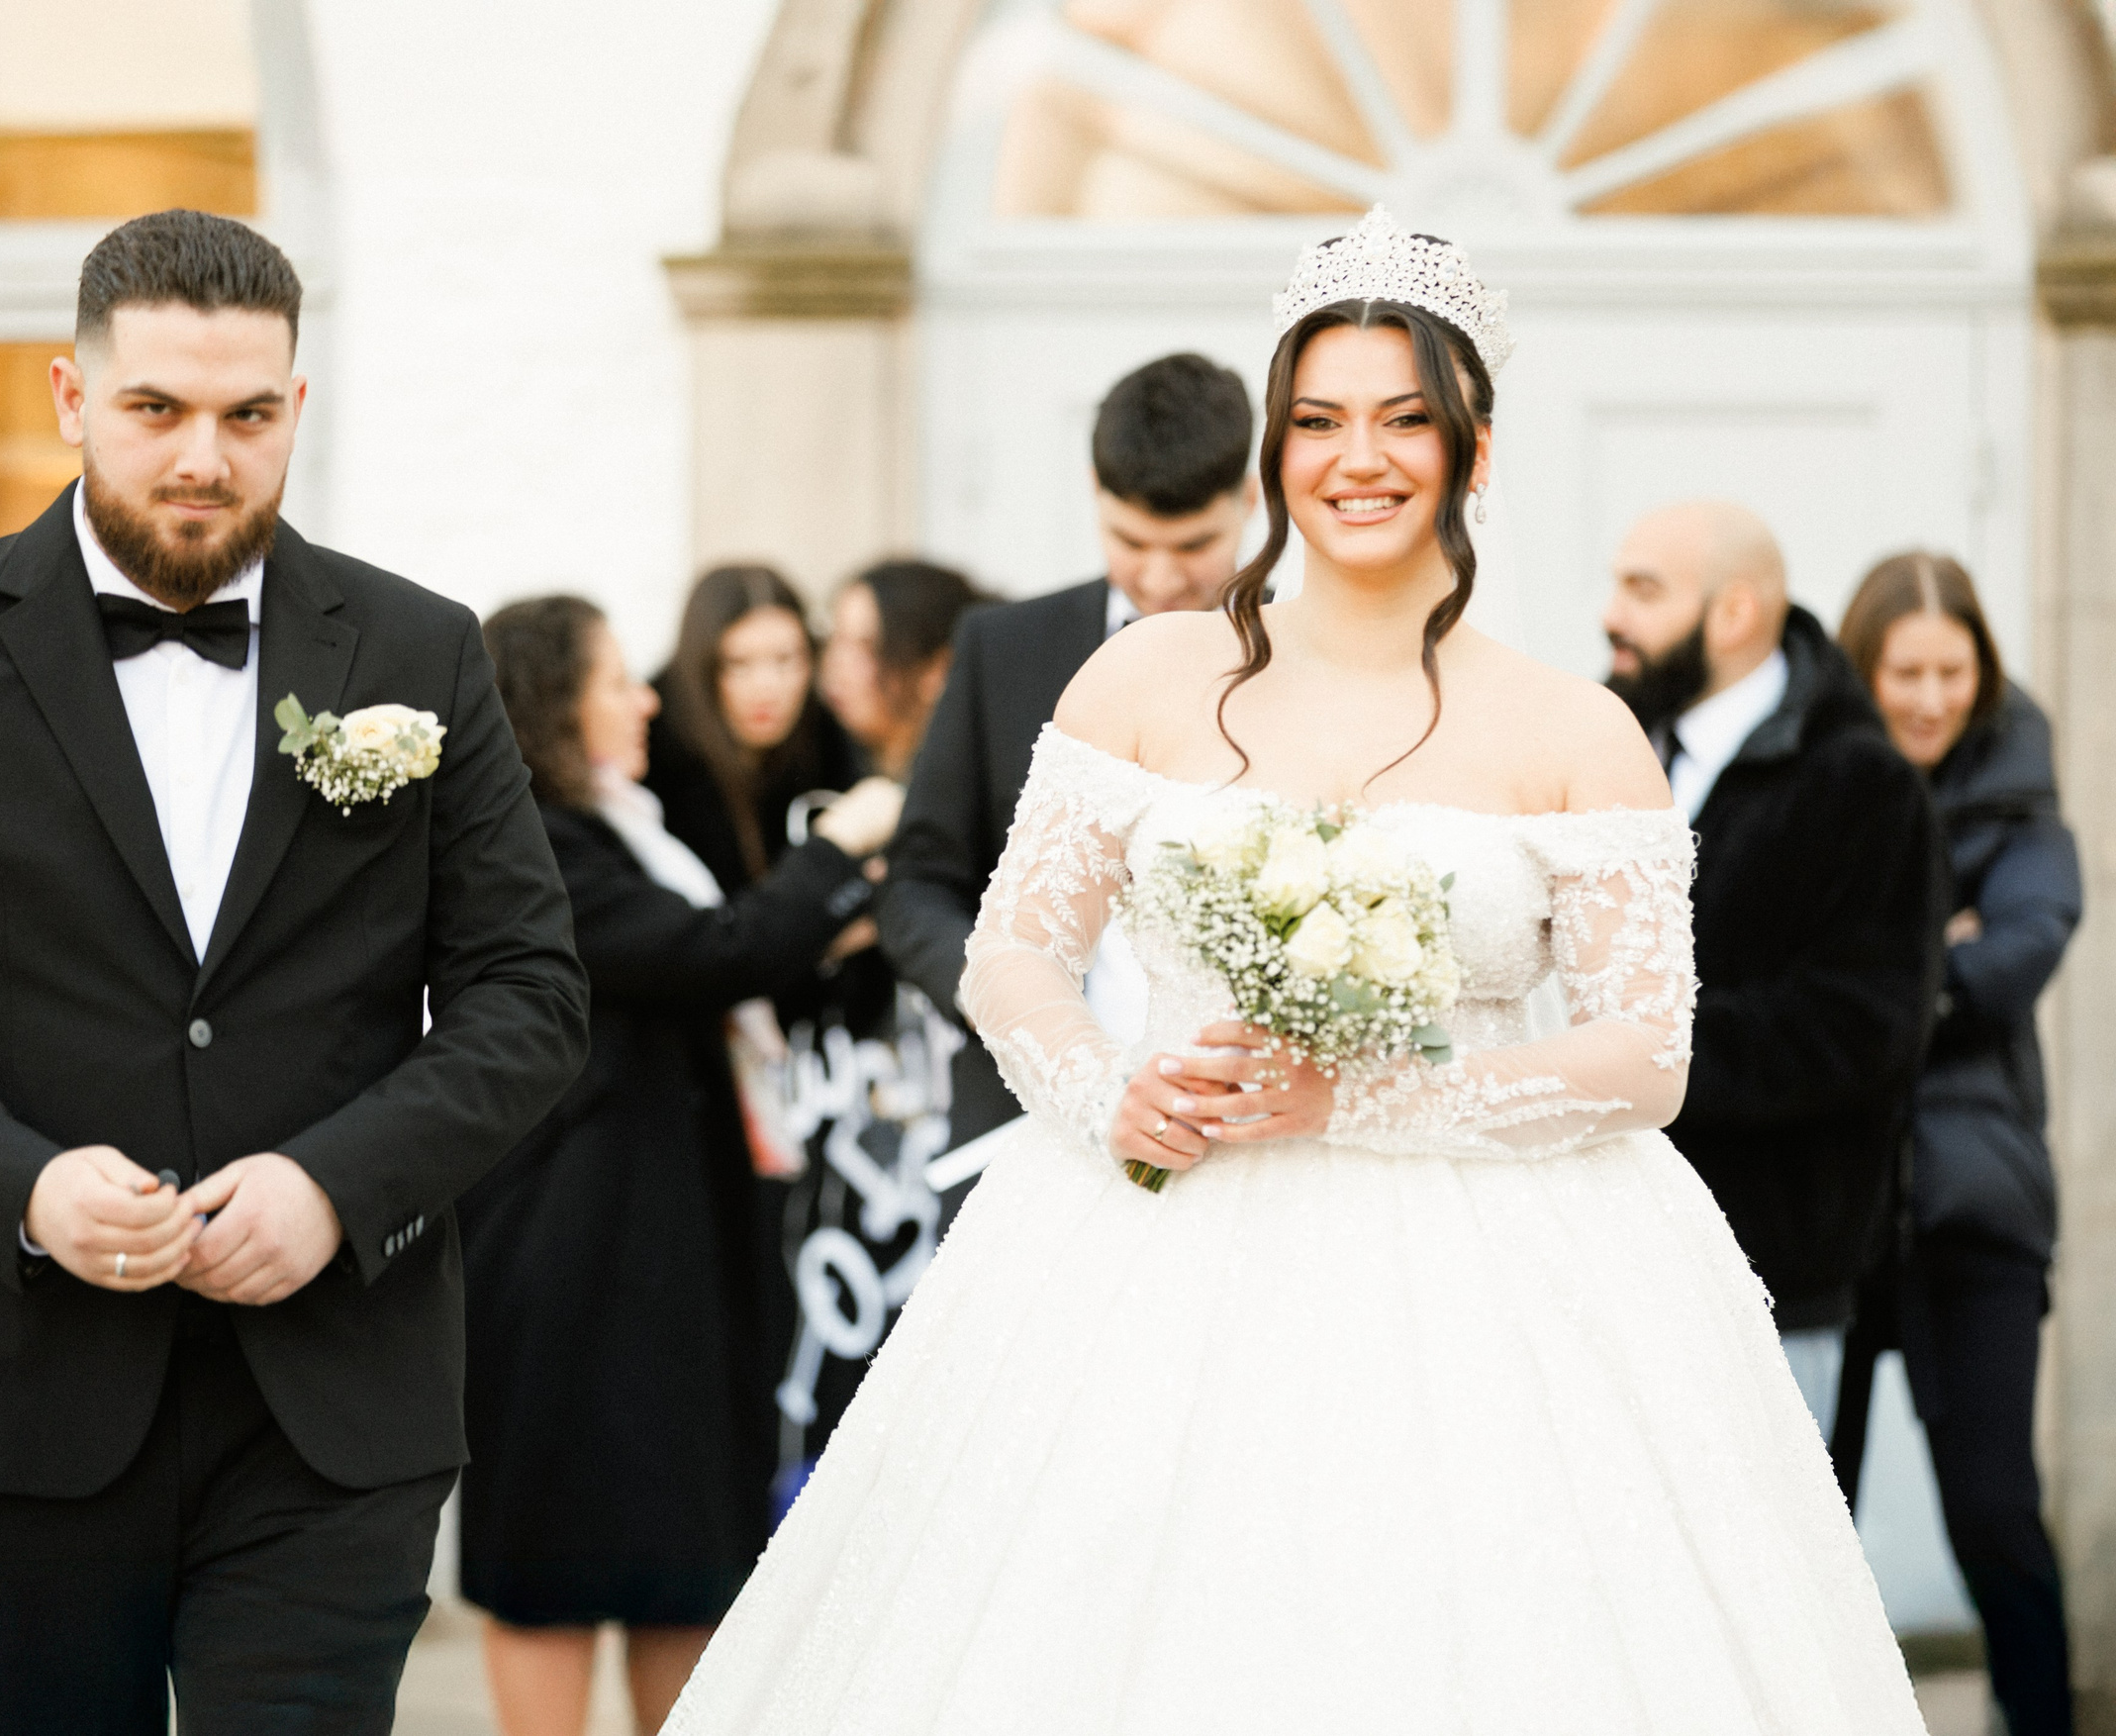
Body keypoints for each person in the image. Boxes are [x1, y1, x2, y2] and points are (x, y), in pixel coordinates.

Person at [663, 209, 1922, 1732]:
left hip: (1499, 1285)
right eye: (1317, 418)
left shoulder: (1576, 728)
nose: (1359, 455)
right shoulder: (1147, 674)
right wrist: (1108, 1092)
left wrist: (1373, 1095)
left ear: (1474, 442)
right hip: (1152, 1234)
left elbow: (1646, 1052)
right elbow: (1013, 954)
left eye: (1405, 416)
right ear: (1273, 447)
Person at [0, 210, 589, 1733]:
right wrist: (22, 1186)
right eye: (158, 410)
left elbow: (530, 997)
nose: (206, 456)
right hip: (15, 1400)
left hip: (336, 1405)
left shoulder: (422, 648)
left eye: (249, 415)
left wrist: (337, 1183)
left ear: (297, 410)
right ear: (71, 397)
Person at [462, 596, 902, 1736]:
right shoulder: (538, 840)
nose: (648, 695)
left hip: (672, 1247)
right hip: (571, 1248)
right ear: (558, 702)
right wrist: (841, 848)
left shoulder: (627, 825)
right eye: (620, 679)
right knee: (552, 1556)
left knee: (691, 1555)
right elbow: (711, 953)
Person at [1602, 500, 1950, 1431]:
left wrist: (1637, 1056)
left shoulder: (1861, 782)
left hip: (1772, 1277)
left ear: (1734, 613)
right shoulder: (1604, 747)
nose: (1613, 616)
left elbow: (1862, 1026)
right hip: (1602, 1249)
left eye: (1644, 589)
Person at [882, 350, 1258, 1157]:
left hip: (1245, 1127)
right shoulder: (1002, 647)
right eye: (1130, 539)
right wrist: (1021, 1009)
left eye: (1194, 544)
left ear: (1251, 498)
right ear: (1094, 490)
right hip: (1026, 1122)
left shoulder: (1308, 658)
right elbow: (919, 884)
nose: (1158, 576)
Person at [1830, 553, 2079, 1736]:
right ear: (1861, 671)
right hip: (1822, 1213)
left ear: (1980, 678)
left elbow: (2023, 947)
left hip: (1974, 1207)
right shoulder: (1811, 787)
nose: (1927, 697)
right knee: (1801, 1512)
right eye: (1904, 672)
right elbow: (1759, 959)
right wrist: (1938, 951)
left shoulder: (2022, 801)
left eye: (1950, 671)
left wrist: (1871, 979)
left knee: (1993, 1513)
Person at [763, 558, 995, 1508]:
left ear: (935, 667)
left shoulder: (990, 790)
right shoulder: (822, 775)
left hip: (955, 1128)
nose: (835, 670)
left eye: (865, 646)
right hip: (840, 1150)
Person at [647, 564, 865, 896]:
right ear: (700, 669)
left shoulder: (826, 737)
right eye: (738, 663)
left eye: (785, 660)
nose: (766, 687)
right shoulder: (652, 751)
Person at [816, 558, 995, 780]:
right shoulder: (821, 755)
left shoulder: (975, 778)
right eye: (836, 639)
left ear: (937, 670)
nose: (836, 665)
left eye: (867, 645)